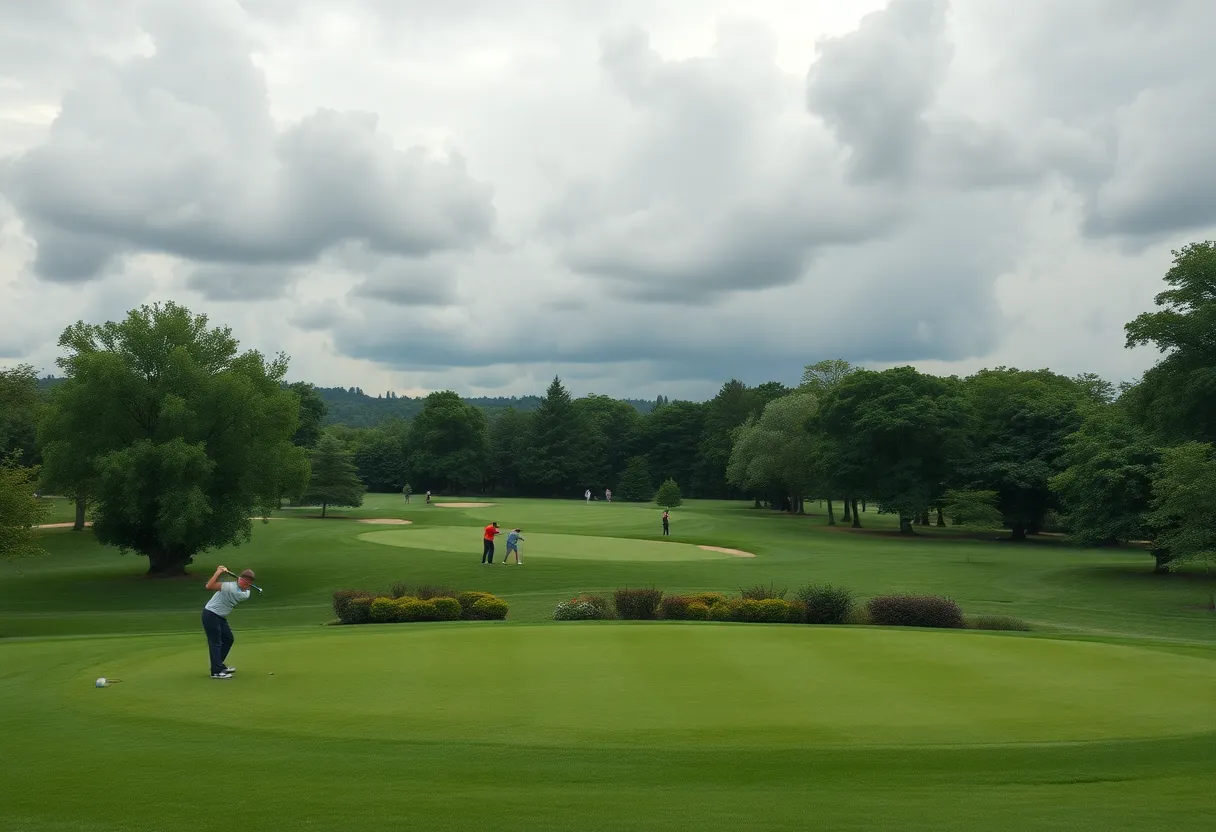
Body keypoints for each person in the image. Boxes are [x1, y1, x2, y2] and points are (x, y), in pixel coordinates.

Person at [202, 565, 256, 679]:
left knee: (228, 639)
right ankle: (216, 671)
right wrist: (219, 572)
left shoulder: (238, 591)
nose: (246, 584)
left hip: (219, 616)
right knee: (216, 642)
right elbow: (209, 586)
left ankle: (218, 665)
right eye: (244, 581)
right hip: (211, 614)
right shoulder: (234, 588)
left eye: (248, 583)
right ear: (239, 579)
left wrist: (218, 572)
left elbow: (210, 585)